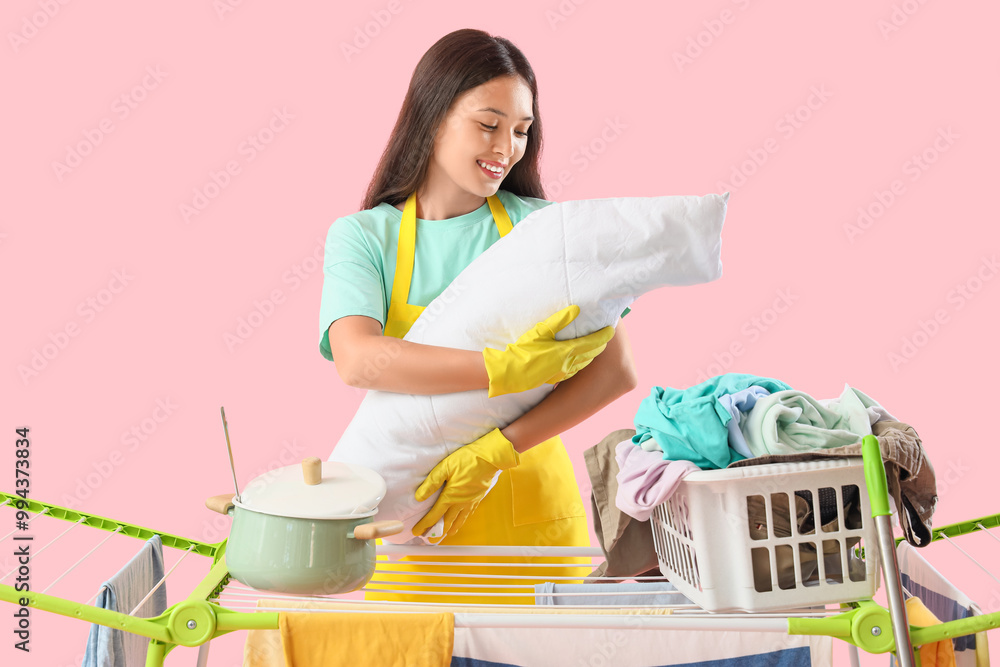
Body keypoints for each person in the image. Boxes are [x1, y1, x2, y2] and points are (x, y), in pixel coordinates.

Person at [319, 28, 638, 604]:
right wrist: (502, 370)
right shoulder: (366, 237)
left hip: (531, 513)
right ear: (433, 115)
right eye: (488, 124)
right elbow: (359, 359)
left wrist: (498, 449)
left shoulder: (546, 231)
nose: (506, 148)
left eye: (521, 131)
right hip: (412, 526)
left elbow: (616, 371)